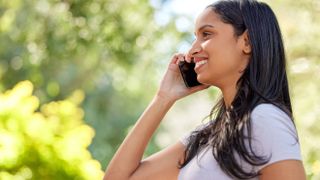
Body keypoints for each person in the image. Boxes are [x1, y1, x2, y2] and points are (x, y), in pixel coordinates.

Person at [104, 0, 306, 179]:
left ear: (247, 41)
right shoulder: (206, 136)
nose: (192, 50)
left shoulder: (266, 119)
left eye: (206, 34)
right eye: (195, 37)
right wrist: (163, 98)